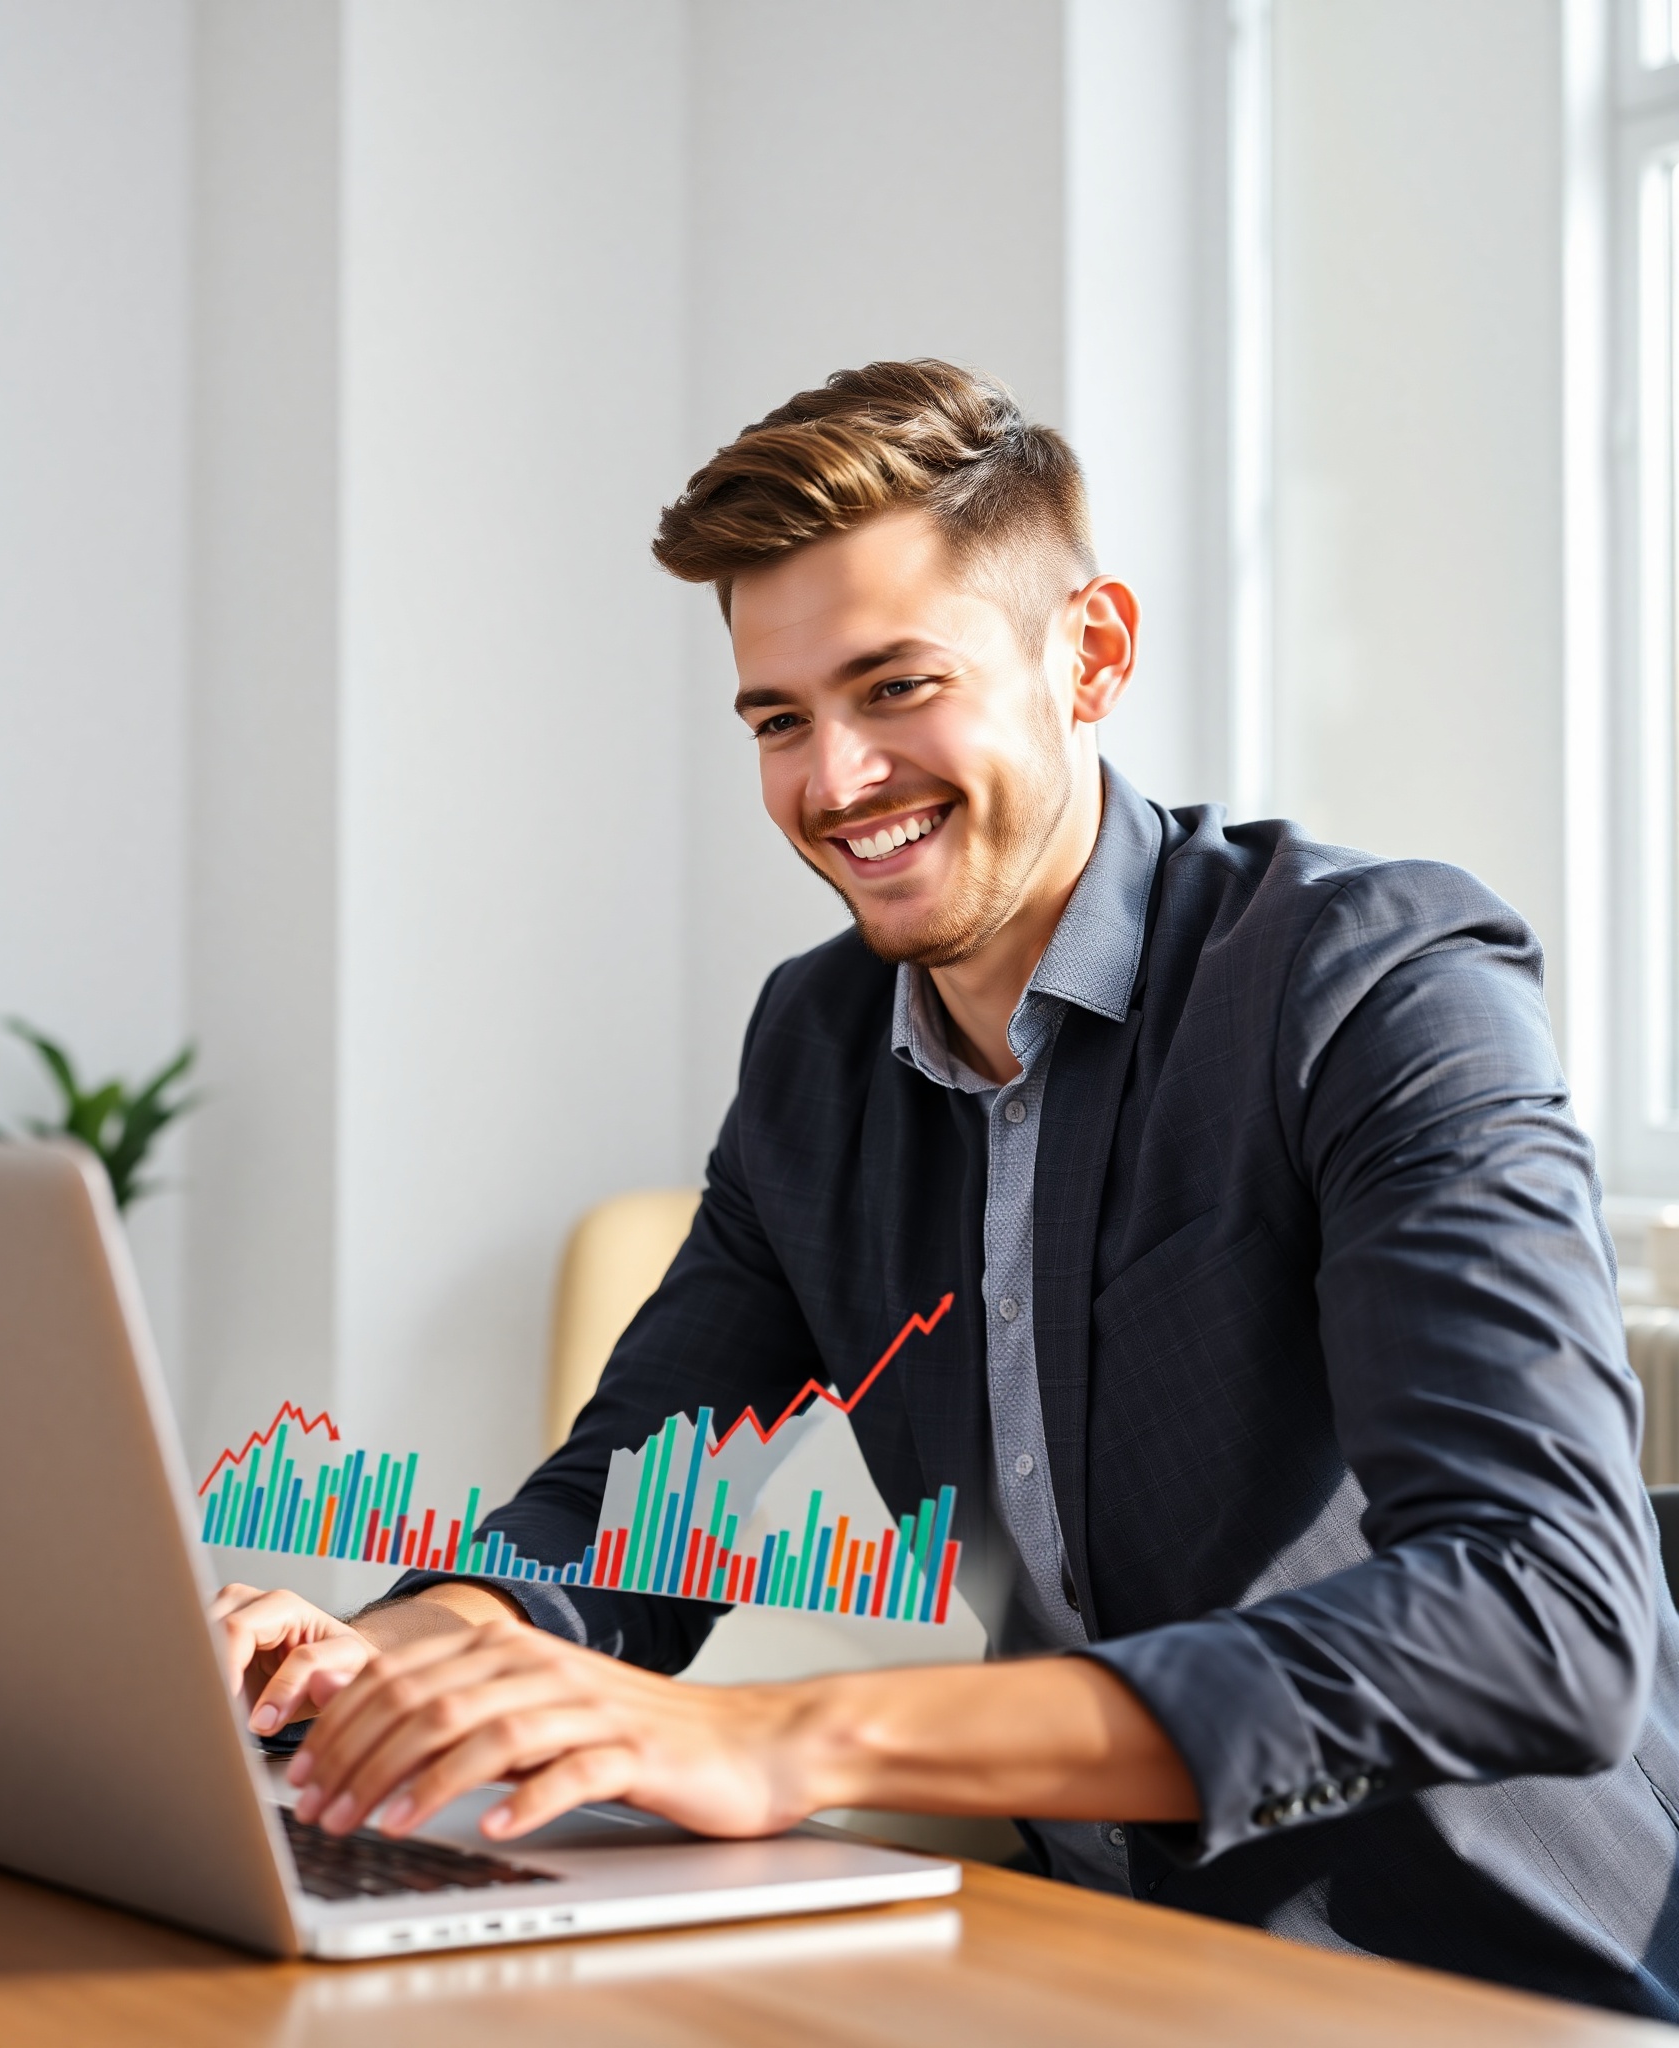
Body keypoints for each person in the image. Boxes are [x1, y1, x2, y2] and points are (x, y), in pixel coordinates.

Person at [211, 360, 1679, 2015]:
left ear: (1092, 653)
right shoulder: (821, 1047)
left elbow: (1540, 1616)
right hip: (1092, 1958)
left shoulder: (1375, 980)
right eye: (780, 720)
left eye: (896, 687)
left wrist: (788, 1735)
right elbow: (634, 1507)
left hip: (1481, 1980)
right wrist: (411, 1656)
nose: (833, 784)